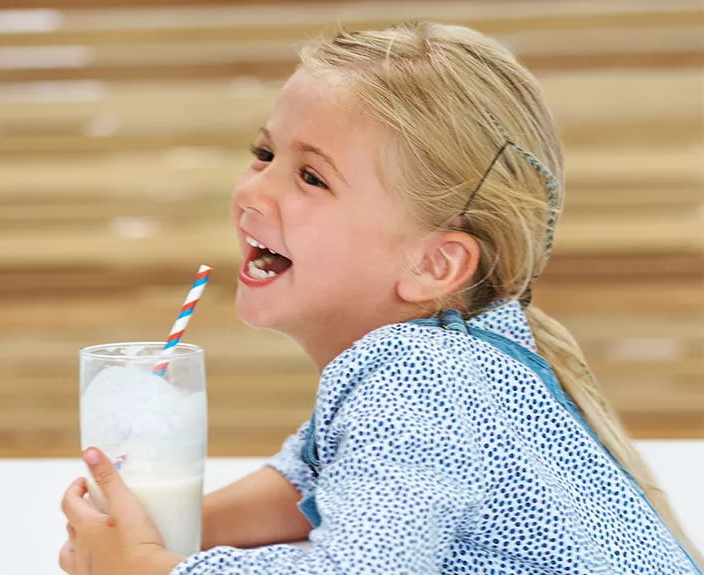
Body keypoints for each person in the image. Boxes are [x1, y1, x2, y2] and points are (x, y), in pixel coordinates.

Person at [58, 21, 703, 574]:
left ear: (433, 263)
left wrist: (158, 568)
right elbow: (307, 480)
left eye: (312, 176)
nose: (253, 192)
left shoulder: (417, 377)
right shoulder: (463, 354)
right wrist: (173, 527)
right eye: (264, 152)